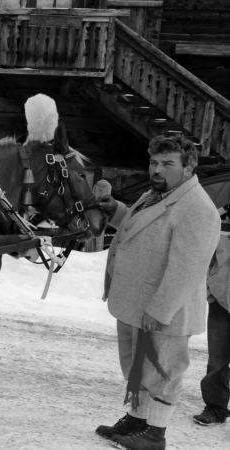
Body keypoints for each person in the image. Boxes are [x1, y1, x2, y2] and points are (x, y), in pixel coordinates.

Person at [95, 135, 221, 450]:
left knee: (163, 370)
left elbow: (187, 268)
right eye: (154, 162)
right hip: (136, 301)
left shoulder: (197, 208)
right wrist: (116, 211)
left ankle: (155, 435)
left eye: (168, 163)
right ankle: (138, 421)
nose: (157, 169)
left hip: (164, 310)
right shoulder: (159, 194)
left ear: (189, 166)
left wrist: (160, 309)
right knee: (138, 366)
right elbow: (144, 227)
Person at [194, 212, 230, 427]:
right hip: (221, 301)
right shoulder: (219, 217)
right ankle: (215, 407)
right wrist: (210, 288)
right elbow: (207, 257)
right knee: (217, 361)